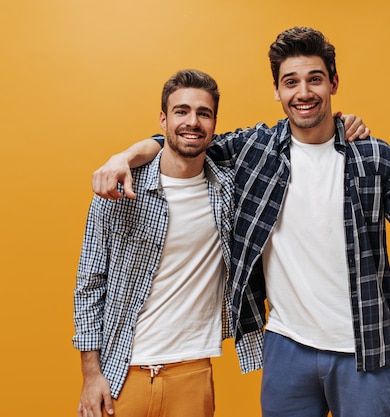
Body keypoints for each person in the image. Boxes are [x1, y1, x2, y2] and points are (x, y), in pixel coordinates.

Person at [91, 27, 390, 417]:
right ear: (277, 91)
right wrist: (123, 157)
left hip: (363, 347)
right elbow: (187, 139)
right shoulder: (257, 149)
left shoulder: (374, 157)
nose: (304, 92)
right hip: (286, 347)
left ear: (333, 83)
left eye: (315, 79)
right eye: (290, 82)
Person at [73, 69, 260, 417]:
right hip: (121, 372)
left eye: (203, 113)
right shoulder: (119, 188)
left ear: (215, 123)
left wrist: (344, 124)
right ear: (162, 119)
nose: (192, 122)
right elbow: (89, 284)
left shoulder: (230, 191)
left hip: (192, 372)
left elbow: (288, 138)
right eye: (181, 111)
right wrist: (90, 374)